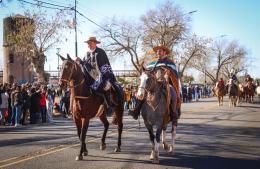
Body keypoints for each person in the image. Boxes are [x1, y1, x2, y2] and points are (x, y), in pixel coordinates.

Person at [128, 44, 182, 120]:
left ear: (164, 52)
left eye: (160, 51)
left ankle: (173, 112)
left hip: (165, 83)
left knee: (172, 91)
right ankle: (136, 111)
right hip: (154, 83)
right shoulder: (152, 62)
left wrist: (169, 73)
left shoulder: (170, 62)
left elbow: (175, 75)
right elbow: (147, 72)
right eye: (157, 51)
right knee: (142, 92)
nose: (158, 52)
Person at [76, 37, 121, 105]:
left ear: (95, 43)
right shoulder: (86, 54)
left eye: (90, 43)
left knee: (104, 85)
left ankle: (108, 103)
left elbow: (104, 65)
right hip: (88, 76)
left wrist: (104, 76)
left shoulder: (100, 52)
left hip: (101, 75)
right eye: (88, 43)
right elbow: (84, 65)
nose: (89, 45)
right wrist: (80, 61)